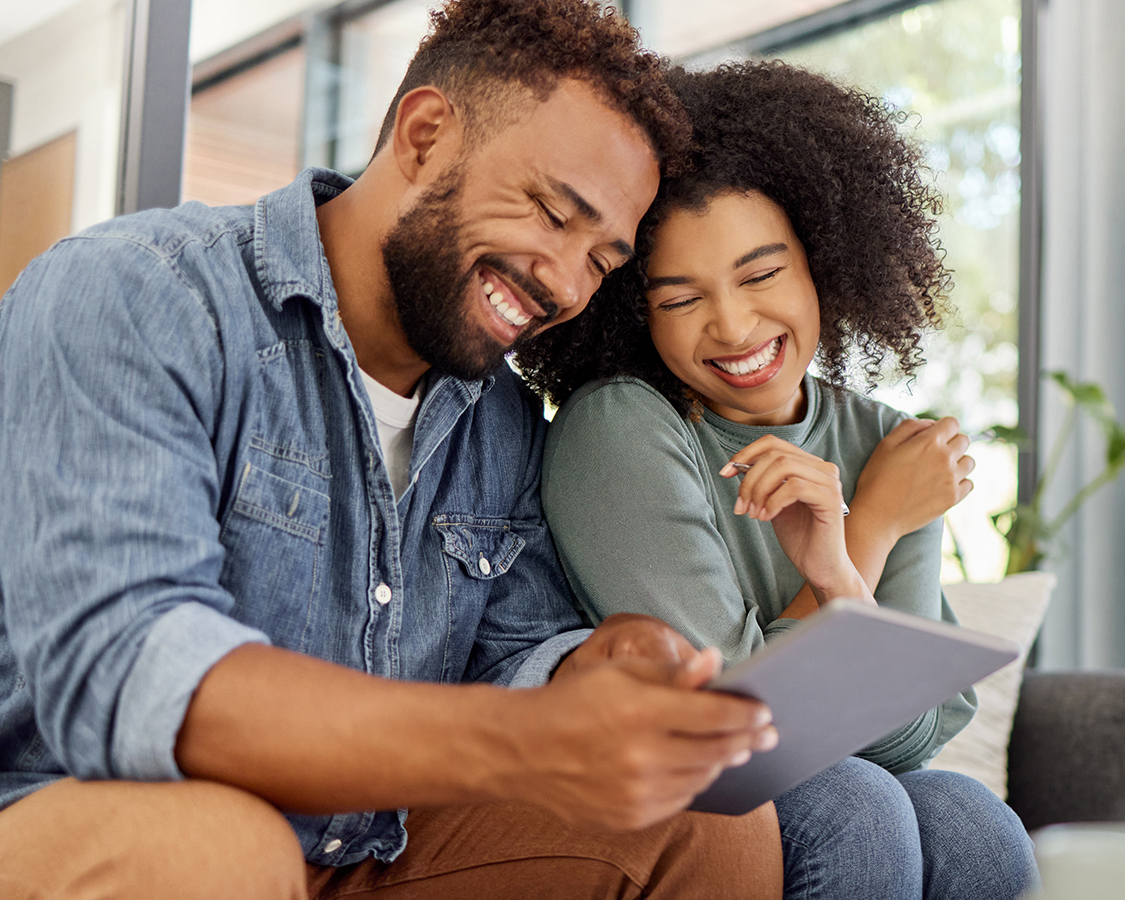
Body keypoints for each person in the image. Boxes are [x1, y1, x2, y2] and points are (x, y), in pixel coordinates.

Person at [0, 5, 788, 897]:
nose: (566, 283)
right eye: (550, 212)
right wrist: (519, 742)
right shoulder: (139, 293)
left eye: (602, 260)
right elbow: (127, 670)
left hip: (359, 853)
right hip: (84, 820)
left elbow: (513, 651)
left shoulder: (500, 418)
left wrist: (600, 665)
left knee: (706, 818)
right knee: (216, 849)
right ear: (424, 134)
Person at [518, 60, 1040, 899]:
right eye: (679, 298)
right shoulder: (621, 425)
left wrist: (840, 565)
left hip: (822, 779)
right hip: (652, 792)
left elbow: (903, 738)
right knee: (854, 804)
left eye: (760, 275)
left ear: (822, 264)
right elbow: (724, 719)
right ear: (635, 310)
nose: (731, 325)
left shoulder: (883, 441)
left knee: (969, 821)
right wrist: (865, 529)